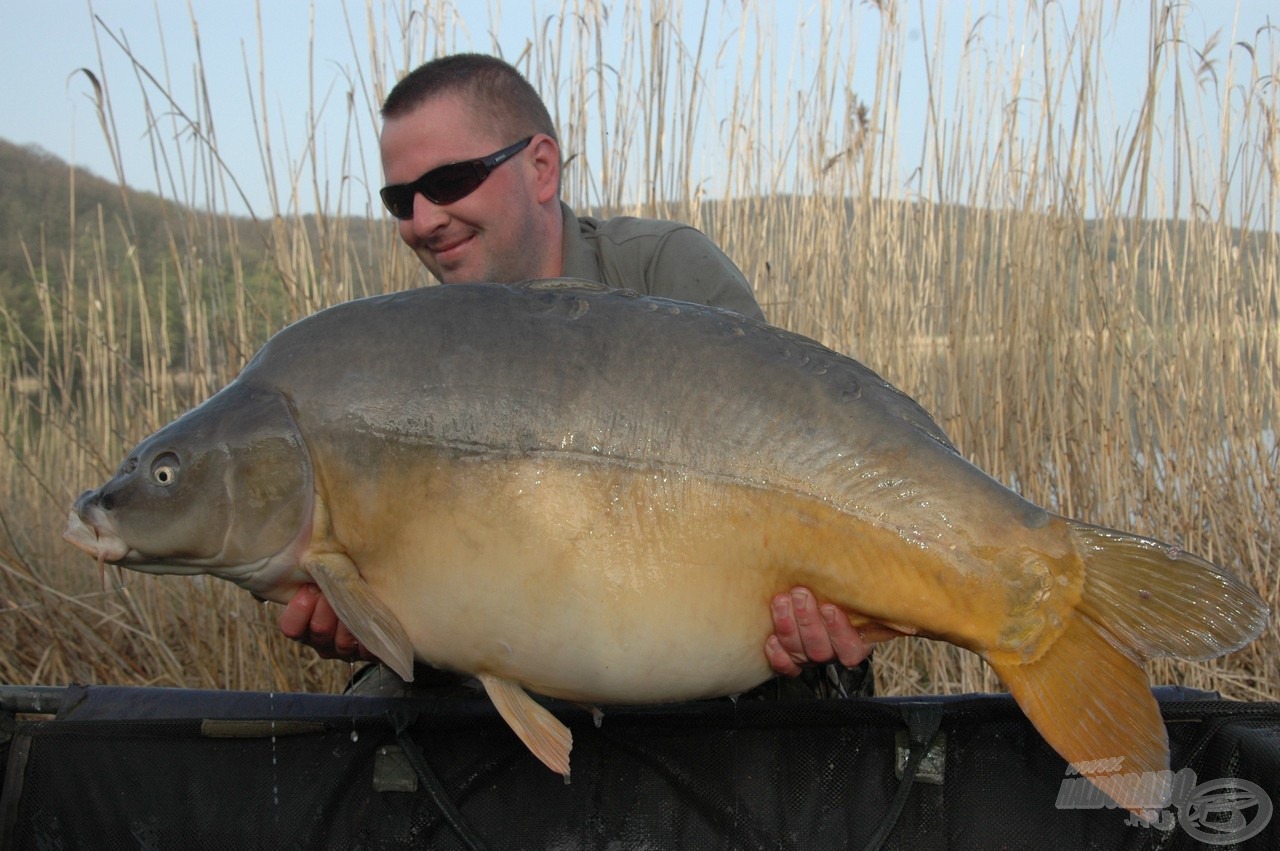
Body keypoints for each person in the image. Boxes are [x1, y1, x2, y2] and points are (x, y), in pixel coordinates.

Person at [278, 53, 873, 696]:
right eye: (401, 199)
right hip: (522, 662)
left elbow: (793, 463)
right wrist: (369, 612)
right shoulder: (415, 357)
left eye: (450, 181)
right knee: (376, 707)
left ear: (541, 168)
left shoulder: (664, 275)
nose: (422, 221)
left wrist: (820, 619)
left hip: (692, 658)